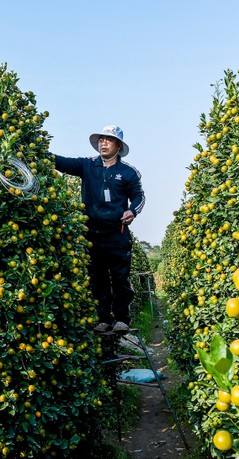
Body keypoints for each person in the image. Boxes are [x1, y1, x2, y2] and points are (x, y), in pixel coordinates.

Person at [51, 125, 145, 333]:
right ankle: (103, 318)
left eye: (108, 140)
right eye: (101, 139)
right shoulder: (87, 166)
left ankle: (122, 319)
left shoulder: (128, 172)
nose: (103, 143)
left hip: (117, 234)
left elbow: (139, 197)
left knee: (120, 278)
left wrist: (132, 211)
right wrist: (39, 152)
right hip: (92, 234)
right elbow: (61, 162)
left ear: (118, 145)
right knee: (97, 278)